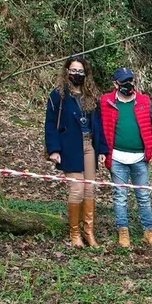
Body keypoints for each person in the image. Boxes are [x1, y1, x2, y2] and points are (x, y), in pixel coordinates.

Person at [44, 56, 108, 247]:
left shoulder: (91, 96)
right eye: (73, 70)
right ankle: (74, 234)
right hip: (70, 146)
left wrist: (102, 149)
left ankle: (88, 233)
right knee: (77, 189)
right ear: (67, 72)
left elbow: (99, 124)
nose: (77, 74)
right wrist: (54, 149)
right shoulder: (58, 95)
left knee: (89, 189)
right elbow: (50, 123)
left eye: (80, 71)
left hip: (90, 146)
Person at [99, 67, 152, 248]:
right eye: (124, 81)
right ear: (115, 83)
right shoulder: (106, 101)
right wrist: (101, 151)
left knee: (143, 196)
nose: (128, 85)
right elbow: (99, 127)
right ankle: (123, 232)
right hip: (117, 158)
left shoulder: (144, 101)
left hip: (140, 159)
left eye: (130, 80)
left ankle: (148, 232)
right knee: (120, 196)